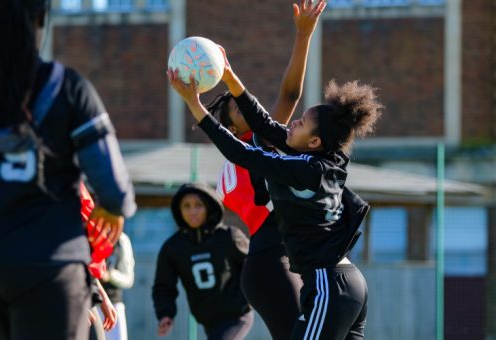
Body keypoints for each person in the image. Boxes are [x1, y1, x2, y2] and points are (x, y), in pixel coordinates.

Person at [168, 45, 382, 340]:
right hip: (344, 282)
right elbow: (265, 124)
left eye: (302, 122)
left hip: (328, 284)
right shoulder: (326, 158)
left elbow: (243, 152)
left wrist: (196, 106)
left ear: (314, 141)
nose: (293, 122)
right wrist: (229, 75)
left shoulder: (305, 169)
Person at [0, 1, 136, 339]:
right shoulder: (67, 87)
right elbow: (115, 190)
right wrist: (114, 210)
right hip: (50, 267)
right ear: (41, 18)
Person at [207, 1, 325, 339]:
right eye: (236, 105)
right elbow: (290, 94)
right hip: (272, 258)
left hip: (269, 260)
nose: (244, 102)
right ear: (232, 128)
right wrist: (303, 36)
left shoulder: (234, 164)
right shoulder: (256, 144)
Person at [152, 182, 253, 340]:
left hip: (237, 317)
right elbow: (164, 286)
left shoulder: (229, 237)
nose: (192, 211)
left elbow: (255, 267)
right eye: (186, 206)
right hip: (208, 322)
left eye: (198, 205)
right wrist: (165, 313)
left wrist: (253, 299)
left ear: (209, 206)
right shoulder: (172, 248)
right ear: (179, 210)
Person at [99, 233, 135, 340]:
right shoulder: (86, 231)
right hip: (90, 304)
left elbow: (128, 279)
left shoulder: (121, 240)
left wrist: (109, 275)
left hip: (113, 303)